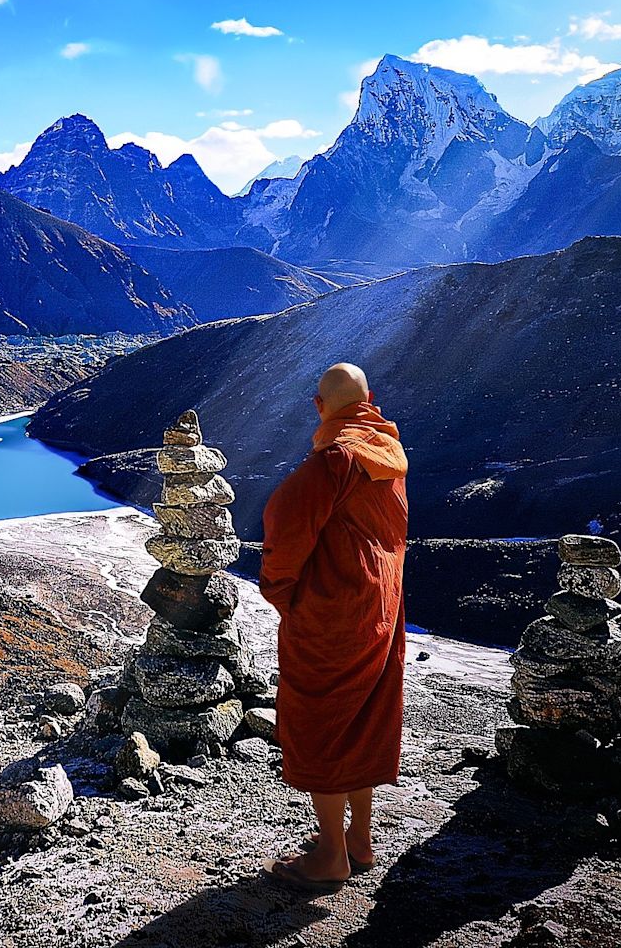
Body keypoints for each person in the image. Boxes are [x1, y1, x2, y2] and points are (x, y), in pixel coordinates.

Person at [258, 362, 409, 893]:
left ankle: (328, 854)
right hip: (382, 607)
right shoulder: (386, 451)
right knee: (363, 715)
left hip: (333, 614)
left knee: (322, 718)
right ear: (371, 400)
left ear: (320, 407)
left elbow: (285, 517)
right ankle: (358, 840)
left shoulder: (336, 458)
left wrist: (285, 595)